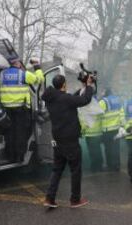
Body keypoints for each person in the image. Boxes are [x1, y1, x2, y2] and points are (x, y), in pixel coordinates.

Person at [42, 75, 93, 208]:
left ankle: (49, 198)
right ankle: (75, 200)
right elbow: (84, 100)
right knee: (75, 170)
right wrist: (89, 86)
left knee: (57, 169)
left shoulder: (51, 99)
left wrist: (82, 89)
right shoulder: (65, 98)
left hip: (58, 140)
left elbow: (71, 98)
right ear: (64, 85)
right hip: (70, 140)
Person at [0, 57, 44, 163]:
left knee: (9, 133)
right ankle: (19, 157)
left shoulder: (1, 75)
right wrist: (37, 66)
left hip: (6, 110)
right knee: (20, 133)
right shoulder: (23, 74)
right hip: (20, 110)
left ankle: (10, 156)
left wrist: (6, 99)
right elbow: (39, 80)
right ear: (17, 63)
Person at [77, 81, 103, 172]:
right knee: (97, 151)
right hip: (97, 131)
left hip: (90, 133)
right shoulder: (96, 103)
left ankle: (95, 167)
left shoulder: (86, 105)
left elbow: (84, 120)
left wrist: (81, 130)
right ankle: (98, 166)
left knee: (93, 152)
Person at [99, 87, 124, 171]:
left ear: (106, 92)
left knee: (108, 148)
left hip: (107, 129)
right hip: (116, 128)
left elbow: (98, 113)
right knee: (116, 148)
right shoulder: (118, 100)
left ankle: (110, 165)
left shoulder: (103, 101)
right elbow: (121, 112)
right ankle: (117, 165)